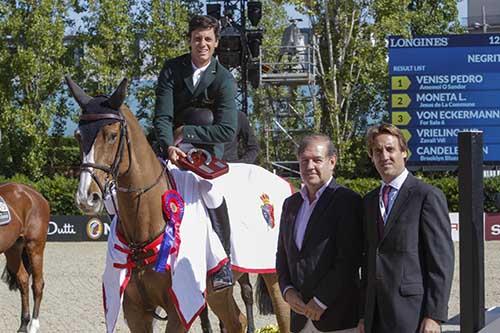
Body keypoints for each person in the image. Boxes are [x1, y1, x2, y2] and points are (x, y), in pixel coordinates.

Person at [153, 14, 237, 291]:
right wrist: (169, 146)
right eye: (197, 38)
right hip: (171, 147)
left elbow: (227, 130)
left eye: (208, 39)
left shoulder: (224, 78)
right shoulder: (171, 69)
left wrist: (187, 133)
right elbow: (162, 117)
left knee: (212, 191)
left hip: (208, 152)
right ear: (189, 40)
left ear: (216, 44)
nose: (202, 43)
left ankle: (224, 261)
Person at [359, 123, 454, 333]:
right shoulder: (368, 201)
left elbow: (441, 262)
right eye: (377, 151)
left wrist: (434, 315)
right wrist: (364, 314)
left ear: (404, 152)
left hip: (413, 315)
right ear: (372, 157)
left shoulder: (427, 196)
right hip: (375, 316)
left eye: (390, 149)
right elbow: (368, 262)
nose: (384, 156)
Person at [276, 134, 363, 333]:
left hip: (337, 317)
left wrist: (322, 300)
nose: (309, 166)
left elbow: (349, 259)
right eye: (304, 161)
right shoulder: (291, 204)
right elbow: (283, 255)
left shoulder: (346, 201)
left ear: (332, 162)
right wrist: (287, 291)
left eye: (317, 160)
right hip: (299, 318)